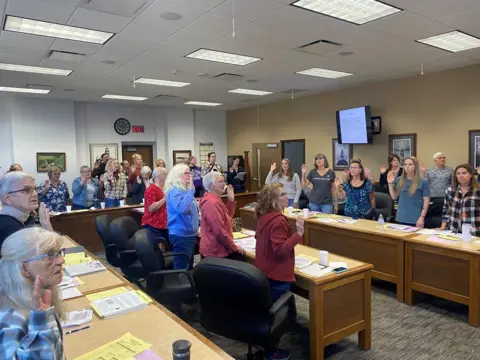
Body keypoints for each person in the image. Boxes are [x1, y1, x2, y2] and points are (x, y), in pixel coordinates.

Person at [254, 183, 304, 360]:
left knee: (273, 310)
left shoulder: (264, 216)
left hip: (264, 271)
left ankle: (290, 329)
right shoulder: (279, 220)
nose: (286, 196)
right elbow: (281, 250)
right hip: (277, 274)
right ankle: (271, 350)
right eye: (282, 194)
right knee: (276, 315)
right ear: (274, 200)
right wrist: (298, 234)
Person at [0, 227, 65, 358]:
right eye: (50, 256)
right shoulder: (11, 317)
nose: (61, 260)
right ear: (24, 268)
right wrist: (41, 326)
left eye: (58, 253)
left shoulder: (39, 296)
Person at [0, 172, 53, 249]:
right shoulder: (7, 227)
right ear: (7, 199)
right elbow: (43, 257)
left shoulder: (25, 218)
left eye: (35, 189)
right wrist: (47, 229)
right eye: (26, 190)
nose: (35, 194)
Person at [199, 172, 244, 259]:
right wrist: (234, 247)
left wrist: (231, 200)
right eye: (220, 181)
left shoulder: (215, 199)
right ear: (211, 185)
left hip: (220, 249)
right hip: (215, 252)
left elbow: (227, 218)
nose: (224, 184)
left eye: (224, 181)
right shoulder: (212, 202)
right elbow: (219, 231)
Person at [165, 164, 199, 269]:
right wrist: (191, 191)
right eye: (187, 173)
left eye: (190, 172)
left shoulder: (185, 191)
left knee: (189, 266)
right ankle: (180, 284)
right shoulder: (174, 191)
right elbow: (182, 209)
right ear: (178, 175)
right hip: (181, 234)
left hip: (189, 234)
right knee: (182, 268)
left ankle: (188, 284)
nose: (190, 175)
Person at [438, 164, 480, 236]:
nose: (461, 175)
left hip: (473, 231)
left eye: (464, 173)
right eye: (458, 173)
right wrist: (443, 226)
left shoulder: (477, 190)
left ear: (470, 175)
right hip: (453, 231)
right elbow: (446, 210)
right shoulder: (450, 190)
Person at [388, 156, 430, 227]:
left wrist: (422, 217)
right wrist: (390, 184)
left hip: (416, 219)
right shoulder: (399, 180)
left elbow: (426, 201)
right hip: (400, 217)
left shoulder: (423, 181)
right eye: (405, 164)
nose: (407, 167)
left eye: (410, 164)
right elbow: (394, 196)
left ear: (415, 166)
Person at [142, 167, 169, 248]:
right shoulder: (151, 189)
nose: (166, 176)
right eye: (164, 174)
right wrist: (164, 199)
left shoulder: (166, 189)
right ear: (158, 176)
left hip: (165, 224)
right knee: (158, 250)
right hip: (153, 224)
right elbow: (150, 208)